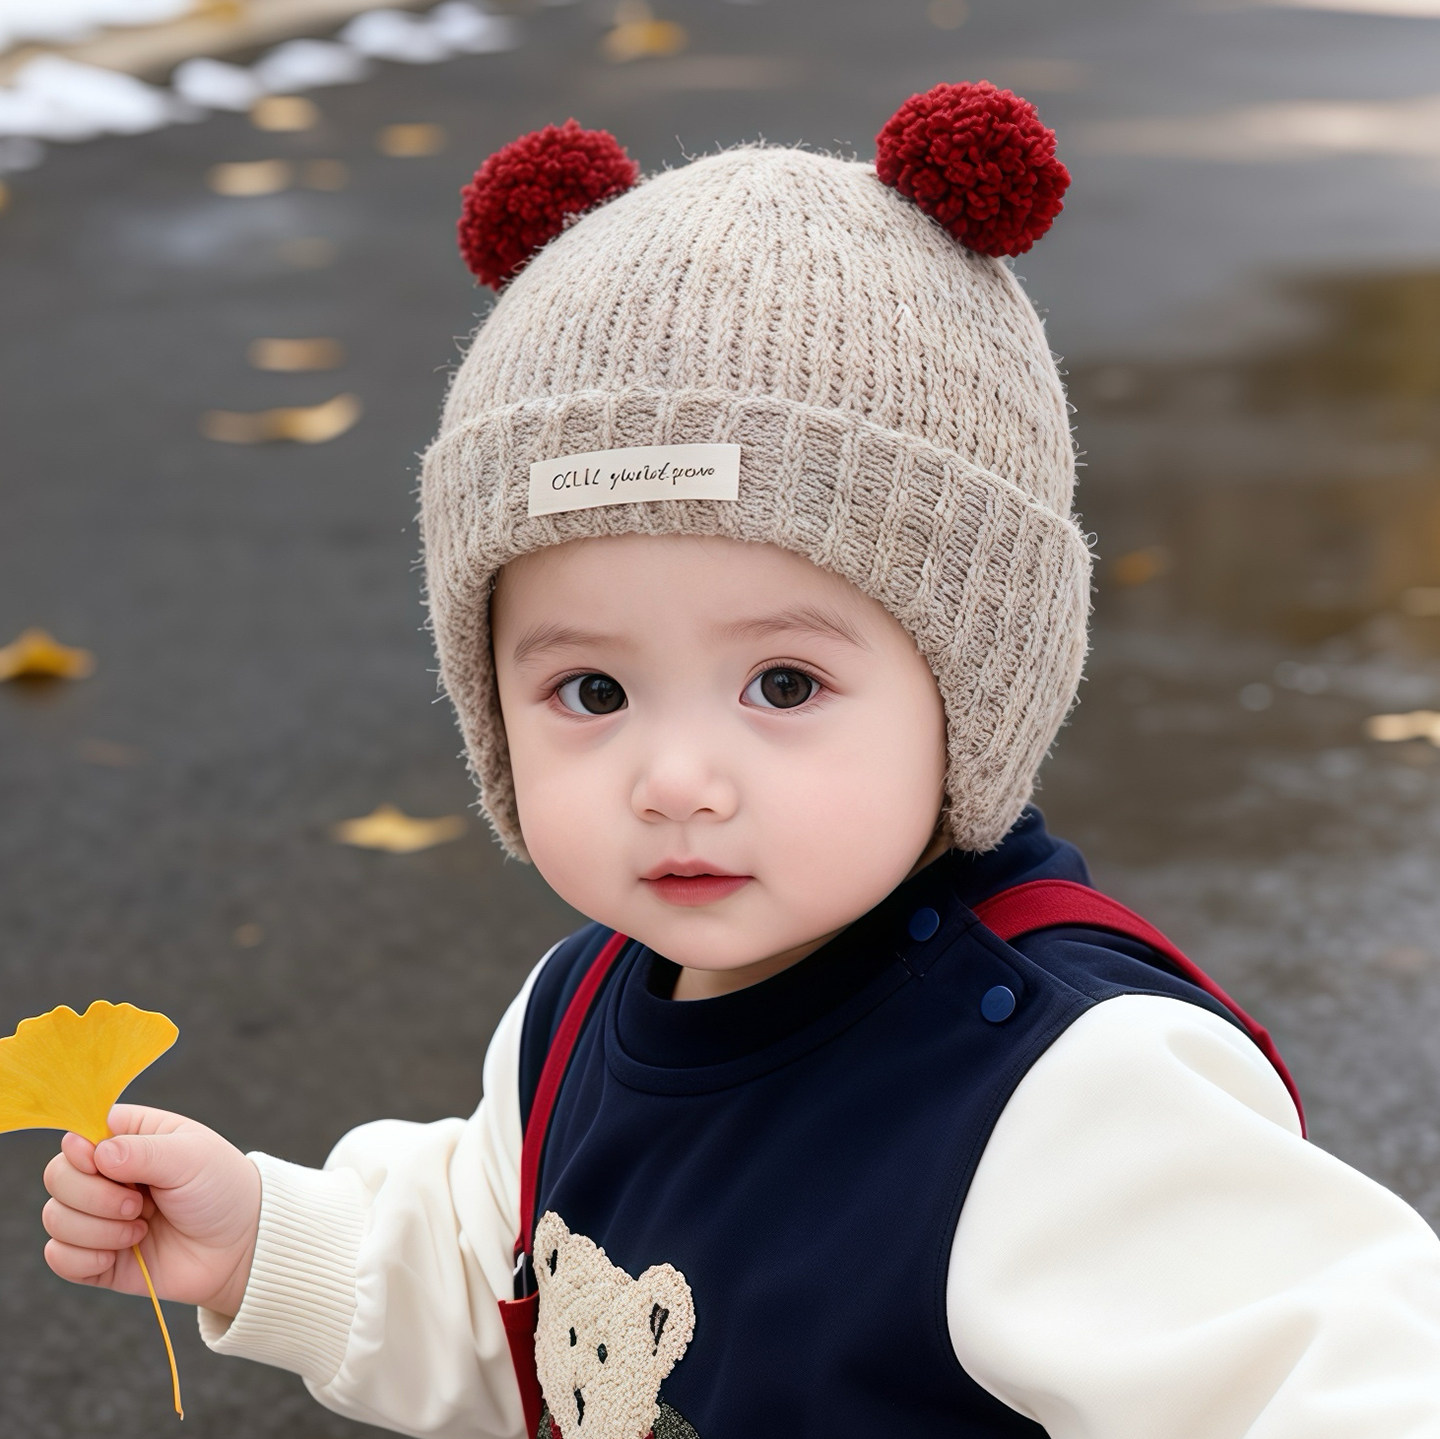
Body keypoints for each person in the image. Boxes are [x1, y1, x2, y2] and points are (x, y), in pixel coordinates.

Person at [38, 84, 1440, 1438]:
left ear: (976, 688)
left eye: (783, 683)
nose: (676, 777)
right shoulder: (574, 1013)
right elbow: (517, 1300)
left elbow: (1344, 1378)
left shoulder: (1071, 1094)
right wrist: (267, 1243)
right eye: (592, 688)